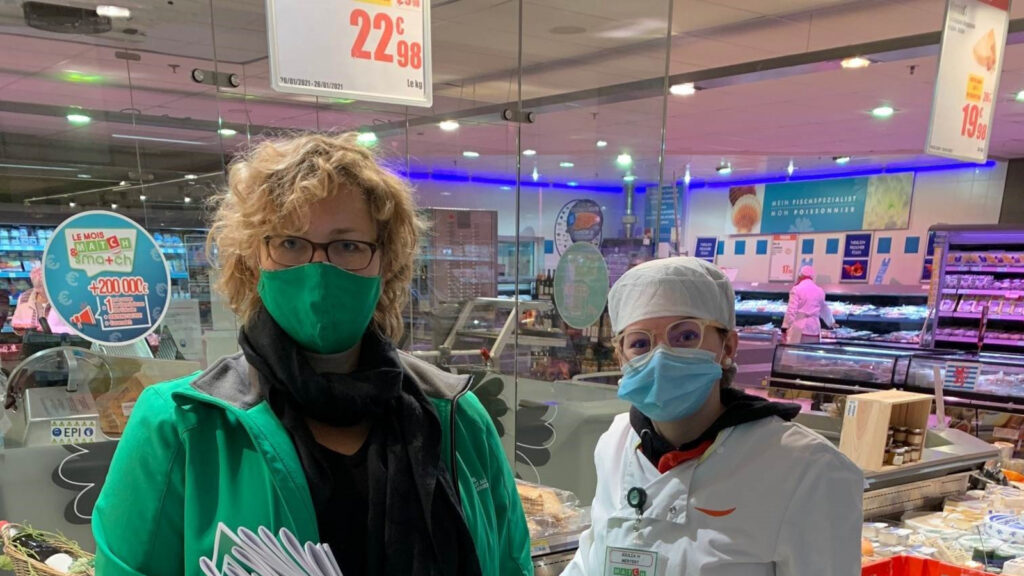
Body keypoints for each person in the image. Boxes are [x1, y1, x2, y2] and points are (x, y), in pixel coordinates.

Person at [93, 133, 533, 576]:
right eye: (290, 244)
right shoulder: (180, 426)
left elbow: (511, 564)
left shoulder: (457, 418)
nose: (319, 270)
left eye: (348, 246)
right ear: (253, 258)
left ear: (386, 263)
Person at [564, 257, 863, 576]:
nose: (661, 356)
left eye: (685, 336)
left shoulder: (808, 470)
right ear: (620, 356)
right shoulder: (615, 442)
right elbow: (590, 561)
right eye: (640, 343)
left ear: (728, 347)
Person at [11, 266, 72, 335]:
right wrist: (20, 328)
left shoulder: (66, 300)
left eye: (45, 289)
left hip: (59, 341)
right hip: (32, 340)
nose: (40, 292)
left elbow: (76, 330)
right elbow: (17, 326)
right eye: (38, 289)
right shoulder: (24, 298)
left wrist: (52, 329)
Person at [782, 265, 836, 344]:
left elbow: (791, 310)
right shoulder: (819, 290)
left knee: (795, 351)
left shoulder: (796, 289)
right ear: (812, 277)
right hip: (814, 328)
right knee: (811, 350)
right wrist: (831, 323)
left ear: (800, 276)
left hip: (799, 329)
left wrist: (785, 327)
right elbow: (824, 309)